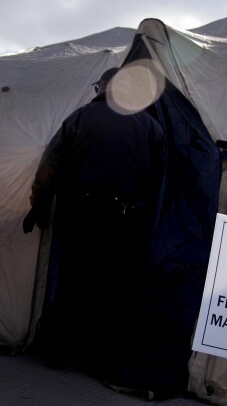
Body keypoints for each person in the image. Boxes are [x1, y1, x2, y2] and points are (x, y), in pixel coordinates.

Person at [23, 66, 165, 386]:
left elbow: (51, 163)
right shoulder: (151, 127)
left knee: (74, 281)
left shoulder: (80, 118)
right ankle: (105, 363)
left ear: (103, 87)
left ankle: (58, 353)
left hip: (80, 213)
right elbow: (159, 181)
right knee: (115, 289)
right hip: (126, 221)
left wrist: (39, 203)